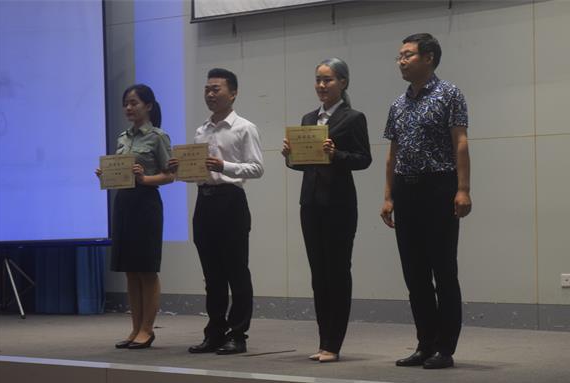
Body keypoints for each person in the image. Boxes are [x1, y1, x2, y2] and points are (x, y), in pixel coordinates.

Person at [380, 33, 472, 369]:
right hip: (406, 190)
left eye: (408, 55)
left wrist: (463, 189)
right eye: (399, 56)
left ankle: (445, 349)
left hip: (439, 187)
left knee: (443, 270)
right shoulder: (398, 104)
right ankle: (425, 344)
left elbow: (460, 143)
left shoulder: (450, 94)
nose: (401, 61)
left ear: (429, 57)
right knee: (415, 274)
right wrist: (388, 195)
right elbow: (392, 153)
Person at [282, 58, 371, 363]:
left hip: (339, 204)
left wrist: (337, 154)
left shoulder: (353, 117)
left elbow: (363, 159)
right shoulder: (309, 118)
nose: (321, 85)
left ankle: (334, 343)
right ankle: (323, 341)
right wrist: (290, 156)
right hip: (310, 203)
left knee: (337, 271)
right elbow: (305, 164)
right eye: (318, 80)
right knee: (318, 274)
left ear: (343, 83)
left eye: (328, 80)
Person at [172, 68, 264, 355]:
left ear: (233, 93)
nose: (210, 94)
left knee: (237, 272)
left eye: (216, 89)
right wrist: (180, 170)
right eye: (207, 89)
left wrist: (225, 166)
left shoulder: (244, 127)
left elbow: (257, 168)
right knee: (211, 275)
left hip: (231, 201)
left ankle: (238, 335)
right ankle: (214, 332)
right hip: (205, 201)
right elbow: (198, 173)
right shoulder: (202, 130)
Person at [96, 84, 174, 349]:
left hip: (146, 203)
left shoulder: (158, 136)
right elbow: (120, 172)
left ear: (148, 106)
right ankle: (135, 328)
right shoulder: (122, 137)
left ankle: (147, 329)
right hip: (124, 203)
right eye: (126, 103)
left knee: (147, 269)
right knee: (130, 270)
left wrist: (145, 179)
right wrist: (106, 174)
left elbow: (170, 175)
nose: (128, 108)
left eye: (134, 103)